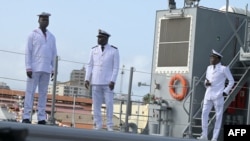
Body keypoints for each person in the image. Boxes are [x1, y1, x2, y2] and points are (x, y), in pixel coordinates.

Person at [22, 12, 57, 124]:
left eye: (47, 19)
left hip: (46, 68)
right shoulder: (32, 34)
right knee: (30, 92)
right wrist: (28, 67)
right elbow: (28, 51)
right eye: (43, 19)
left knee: (43, 94)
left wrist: (53, 69)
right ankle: (26, 116)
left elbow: (54, 54)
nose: (45, 21)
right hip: (34, 68)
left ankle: (41, 117)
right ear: (38, 20)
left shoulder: (52, 37)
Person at [84, 29, 120, 131]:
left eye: (101, 37)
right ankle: (98, 124)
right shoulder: (93, 50)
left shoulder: (114, 50)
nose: (99, 39)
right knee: (96, 104)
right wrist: (87, 79)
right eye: (98, 37)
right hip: (96, 81)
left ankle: (109, 125)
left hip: (108, 82)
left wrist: (113, 80)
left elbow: (116, 67)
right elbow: (89, 65)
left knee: (109, 103)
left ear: (106, 38)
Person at [197, 49, 234, 141]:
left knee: (218, 117)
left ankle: (214, 138)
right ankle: (204, 135)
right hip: (208, 94)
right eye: (211, 57)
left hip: (218, 96)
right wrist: (206, 83)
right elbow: (206, 80)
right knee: (204, 114)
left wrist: (225, 92)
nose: (211, 59)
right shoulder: (209, 68)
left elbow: (231, 81)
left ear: (218, 59)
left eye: (213, 57)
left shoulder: (224, 68)